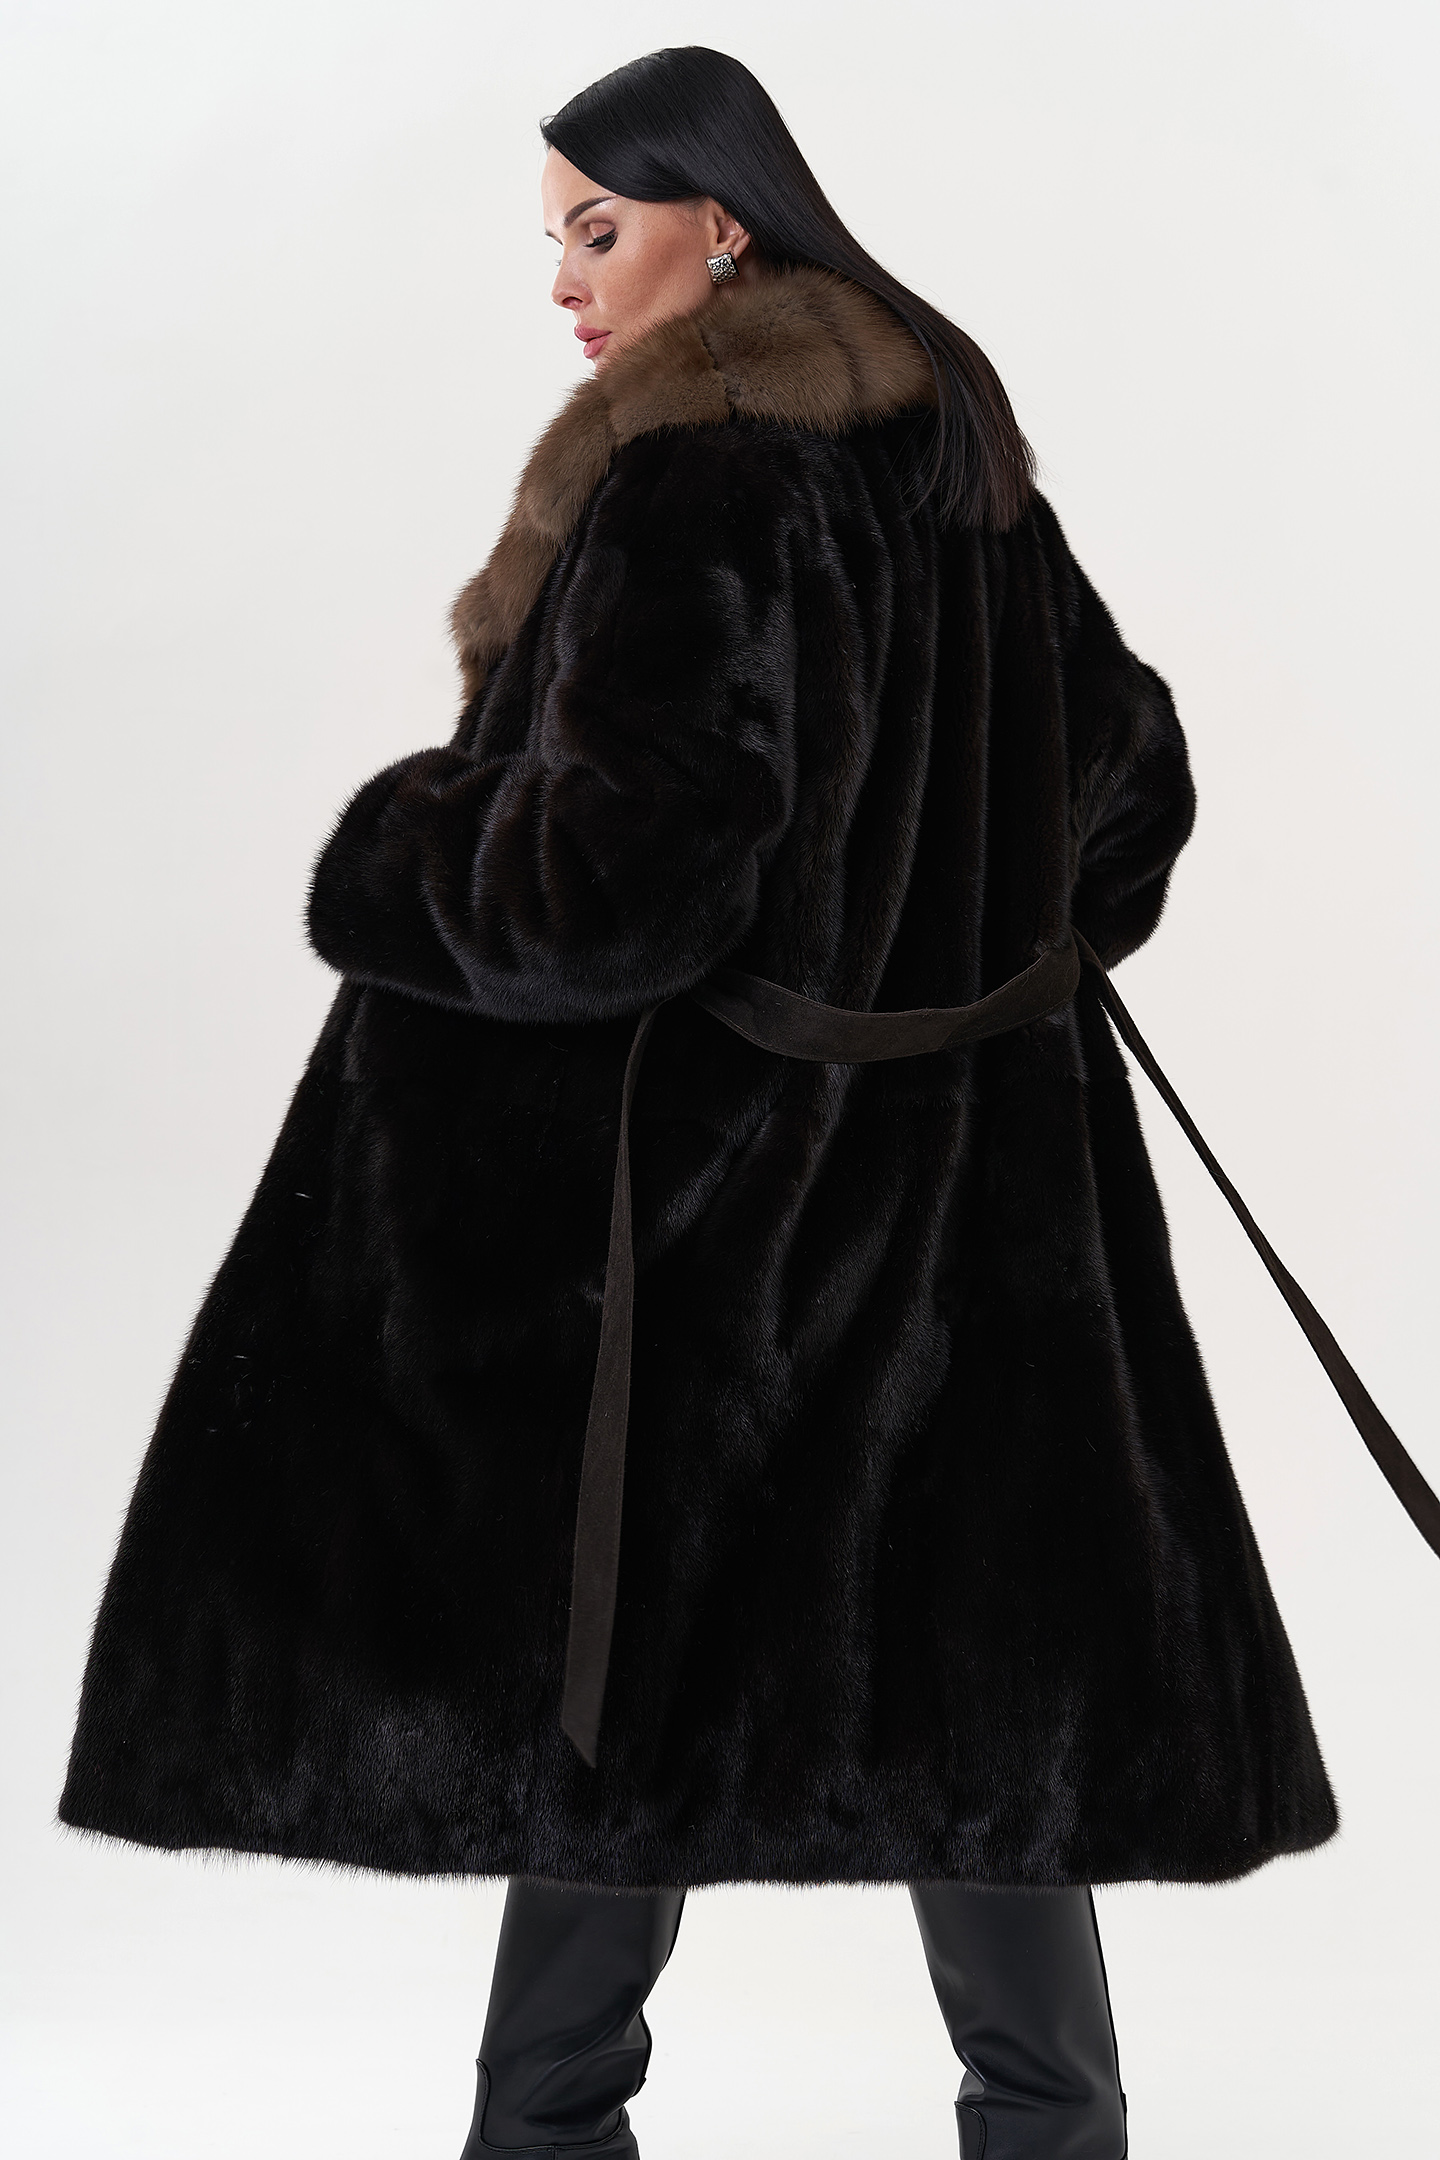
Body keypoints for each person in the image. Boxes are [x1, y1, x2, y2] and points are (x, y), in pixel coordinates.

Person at [59, 46, 1343, 2160]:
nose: (566, 282)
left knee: (622, 1682)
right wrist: (958, 968)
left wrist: (400, 848)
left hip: (730, 1218)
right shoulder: (959, 464)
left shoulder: (698, 481)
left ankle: (545, 2136)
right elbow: (1133, 783)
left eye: (599, 227)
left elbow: (620, 888)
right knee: (976, 1710)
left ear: (721, 222)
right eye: (554, 238)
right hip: (985, 1202)